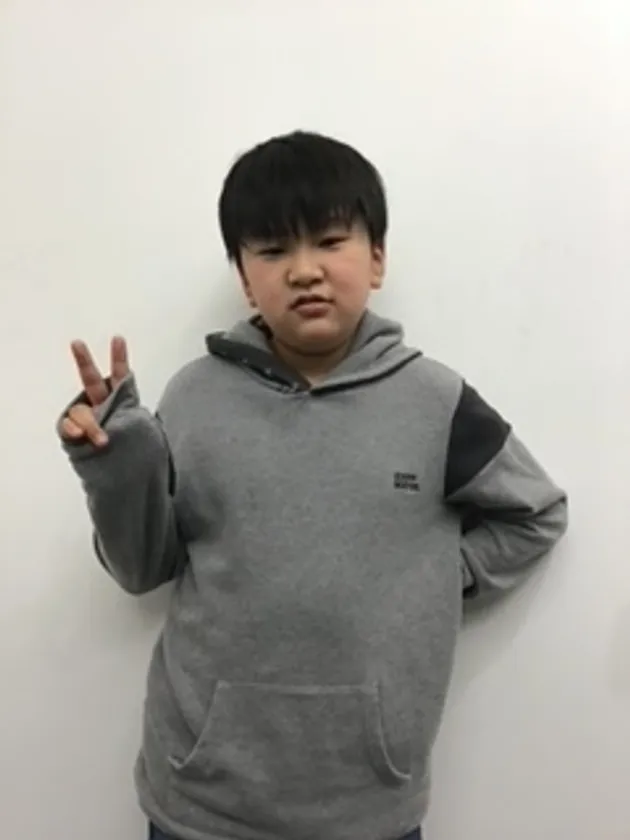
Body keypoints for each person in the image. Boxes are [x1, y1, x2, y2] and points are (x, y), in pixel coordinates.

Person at [58, 131, 568, 840]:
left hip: (370, 808)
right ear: (244, 278)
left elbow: (536, 514)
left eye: (330, 241)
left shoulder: (434, 401)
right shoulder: (196, 397)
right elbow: (142, 569)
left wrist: (430, 579)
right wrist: (116, 467)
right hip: (199, 804)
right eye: (272, 251)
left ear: (377, 257)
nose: (304, 271)